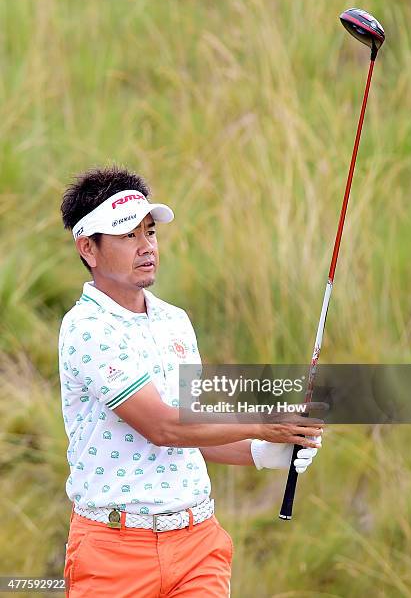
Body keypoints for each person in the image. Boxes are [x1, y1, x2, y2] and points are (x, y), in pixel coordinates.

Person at [59, 166, 323, 597]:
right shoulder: (86, 328)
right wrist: (261, 423)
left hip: (198, 543)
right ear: (88, 247)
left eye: (150, 232)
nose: (146, 248)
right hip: (114, 552)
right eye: (128, 236)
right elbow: (163, 427)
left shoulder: (174, 321)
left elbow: (196, 429)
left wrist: (264, 450)